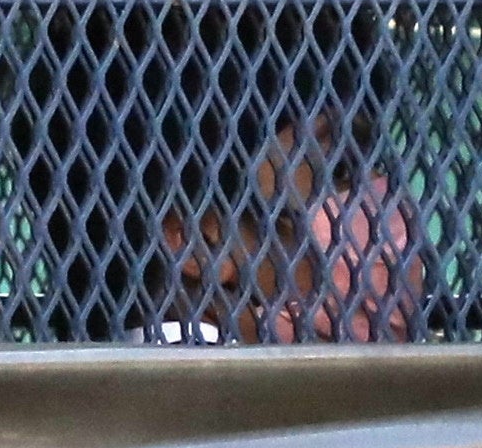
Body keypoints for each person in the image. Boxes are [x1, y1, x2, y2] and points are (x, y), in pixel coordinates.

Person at [156, 108, 427, 344]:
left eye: (374, 160)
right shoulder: (187, 386)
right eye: (339, 170)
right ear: (197, 242)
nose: (385, 195)